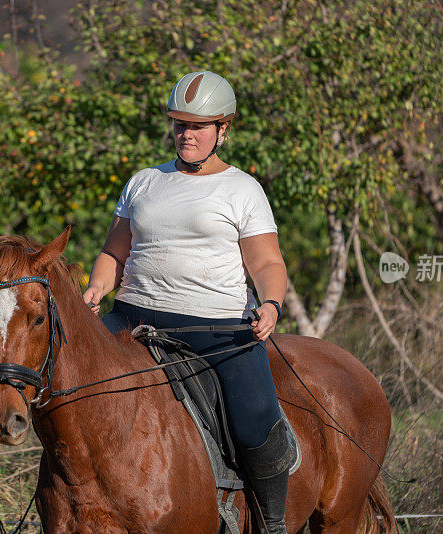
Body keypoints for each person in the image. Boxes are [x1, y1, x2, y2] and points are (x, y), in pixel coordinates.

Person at [82, 71, 291, 534]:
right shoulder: (143, 182)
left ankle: (272, 523)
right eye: (179, 124)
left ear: (223, 129)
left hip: (215, 328)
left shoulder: (242, 189)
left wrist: (271, 305)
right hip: (132, 317)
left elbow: (266, 263)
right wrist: (98, 287)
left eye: (198, 126)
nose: (187, 134)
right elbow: (114, 252)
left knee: (256, 417)